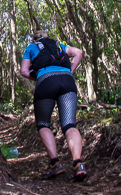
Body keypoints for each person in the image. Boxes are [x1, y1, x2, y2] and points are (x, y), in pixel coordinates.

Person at [20, 30, 87, 182]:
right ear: (47, 37)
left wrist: (40, 77)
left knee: (43, 124)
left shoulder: (31, 48)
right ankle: (78, 163)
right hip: (67, 81)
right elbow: (78, 52)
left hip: (46, 81)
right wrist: (71, 70)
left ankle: (55, 163)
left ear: (34, 39)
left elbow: (24, 71)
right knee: (70, 124)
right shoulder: (59, 45)